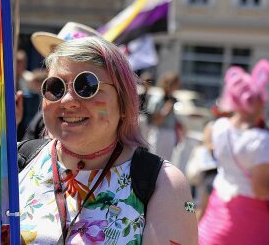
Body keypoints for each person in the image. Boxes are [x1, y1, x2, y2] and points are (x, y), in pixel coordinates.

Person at [18, 36, 198, 244]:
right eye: (55, 87)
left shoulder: (163, 184)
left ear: (123, 103)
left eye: (86, 86)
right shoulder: (13, 162)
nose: (67, 100)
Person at [198, 61, 269, 244]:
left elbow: (211, 148)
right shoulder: (260, 141)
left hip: (216, 215)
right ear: (260, 102)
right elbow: (261, 190)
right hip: (249, 223)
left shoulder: (219, 128)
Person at [147, 72, 182, 161]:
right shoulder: (157, 99)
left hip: (170, 133)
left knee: (168, 162)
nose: (178, 87)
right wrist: (165, 110)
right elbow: (156, 121)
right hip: (160, 132)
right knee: (155, 160)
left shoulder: (174, 99)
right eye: (176, 84)